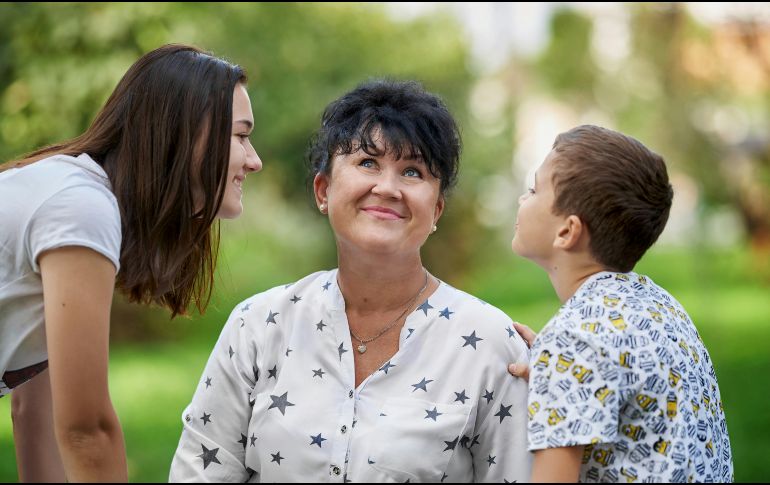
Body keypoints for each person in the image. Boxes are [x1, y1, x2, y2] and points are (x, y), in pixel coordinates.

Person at [168, 79, 532, 482]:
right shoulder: (258, 326)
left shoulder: (490, 344)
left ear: (437, 210)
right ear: (323, 191)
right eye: (368, 163)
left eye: (412, 171)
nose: (387, 188)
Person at [0, 44, 262, 482]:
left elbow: (35, 410)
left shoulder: (72, 195)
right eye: (240, 135)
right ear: (181, 133)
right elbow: (87, 428)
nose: (254, 160)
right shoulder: (80, 208)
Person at [507, 125, 733, 482]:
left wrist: (562, 362)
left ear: (567, 231)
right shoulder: (659, 304)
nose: (523, 198)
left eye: (534, 189)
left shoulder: (573, 340)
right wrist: (564, 378)